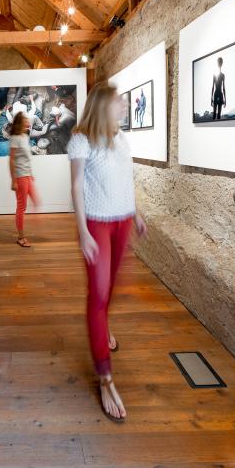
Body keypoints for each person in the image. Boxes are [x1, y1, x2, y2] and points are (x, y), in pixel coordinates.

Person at [67, 83, 147, 423]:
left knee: (110, 288)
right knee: (98, 297)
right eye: (119, 101)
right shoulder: (82, 140)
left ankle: (104, 330)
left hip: (123, 221)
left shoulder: (122, 139)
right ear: (102, 106)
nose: (125, 105)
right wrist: (83, 231)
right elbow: (76, 186)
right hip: (98, 224)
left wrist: (136, 212)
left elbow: (125, 181)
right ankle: (106, 378)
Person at [9, 111, 40, 247]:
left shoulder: (24, 136)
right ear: (21, 122)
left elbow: (26, 158)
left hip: (27, 175)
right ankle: (21, 237)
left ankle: (31, 223)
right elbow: (11, 160)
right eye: (26, 119)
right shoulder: (15, 138)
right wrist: (13, 180)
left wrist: (31, 173)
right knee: (22, 206)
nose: (29, 121)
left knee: (36, 200)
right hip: (20, 176)